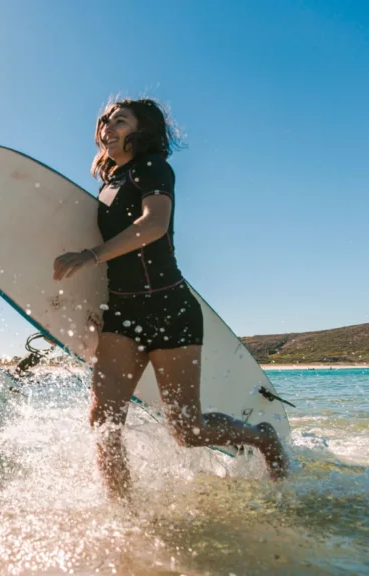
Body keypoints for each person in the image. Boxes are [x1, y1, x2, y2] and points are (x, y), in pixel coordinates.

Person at [52, 98, 288, 497]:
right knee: (104, 420)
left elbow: (155, 224)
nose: (108, 126)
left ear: (140, 131)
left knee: (187, 430)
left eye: (120, 120)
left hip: (169, 307)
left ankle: (261, 436)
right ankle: (124, 515)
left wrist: (90, 257)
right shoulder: (108, 184)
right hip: (123, 310)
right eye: (105, 120)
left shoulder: (152, 168)